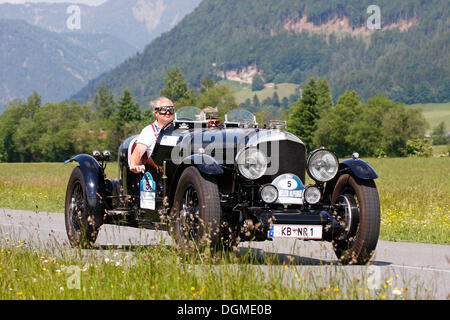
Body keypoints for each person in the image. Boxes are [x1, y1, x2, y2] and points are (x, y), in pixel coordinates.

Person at [129, 97, 175, 173]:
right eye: (164, 110)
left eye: (170, 109)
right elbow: (139, 150)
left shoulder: (178, 130)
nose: (168, 112)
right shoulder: (149, 131)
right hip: (158, 172)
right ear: (156, 113)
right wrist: (133, 165)